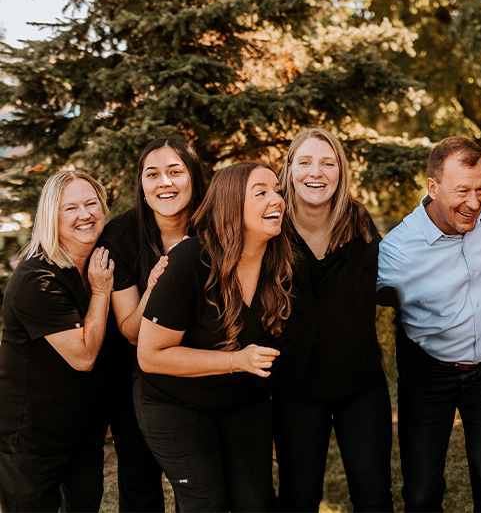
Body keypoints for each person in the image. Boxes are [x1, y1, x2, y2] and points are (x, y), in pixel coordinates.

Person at [135, 161, 293, 511]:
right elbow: (150, 354)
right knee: (207, 503)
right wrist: (236, 360)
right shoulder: (190, 261)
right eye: (262, 192)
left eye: (278, 191)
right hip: (173, 401)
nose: (277, 200)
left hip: (240, 399)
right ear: (232, 204)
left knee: (256, 503)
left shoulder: (280, 261)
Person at [377, 136, 481, 512]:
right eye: (462, 191)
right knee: (422, 489)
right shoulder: (397, 250)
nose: (474, 202)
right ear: (432, 187)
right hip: (427, 373)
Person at [273, 128, 392, 511]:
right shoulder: (272, 229)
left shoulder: (358, 223)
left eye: (328, 163)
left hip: (360, 383)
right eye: (305, 162)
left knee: (374, 497)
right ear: (289, 169)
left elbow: (387, 285)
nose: (316, 173)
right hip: (295, 388)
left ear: (340, 172)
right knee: (299, 498)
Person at [100, 136, 206, 511]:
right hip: (135, 374)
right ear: (142, 186)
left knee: (199, 482)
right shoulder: (121, 235)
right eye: (153, 174)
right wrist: (157, 284)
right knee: (140, 479)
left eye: (175, 171)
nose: (165, 182)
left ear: (193, 177)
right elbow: (130, 331)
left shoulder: (214, 226)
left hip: (201, 368)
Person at [0, 170, 113, 511]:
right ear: (51, 216)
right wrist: (102, 291)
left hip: (82, 430)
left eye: (92, 204)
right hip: (32, 437)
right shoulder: (38, 279)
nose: (85, 215)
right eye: (71, 208)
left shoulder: (98, 262)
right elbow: (83, 355)